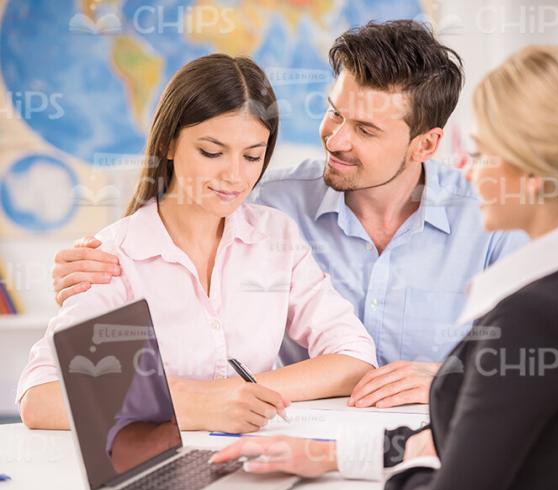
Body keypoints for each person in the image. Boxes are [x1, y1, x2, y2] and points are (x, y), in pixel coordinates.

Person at [208, 45, 558, 490]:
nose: (467, 170)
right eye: (336, 114)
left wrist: (412, 457)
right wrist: (332, 455)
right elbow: (490, 449)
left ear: (531, 177)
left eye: (483, 153)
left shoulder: (529, 316)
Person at [49, 20, 527, 409]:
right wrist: (88, 271)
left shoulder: (493, 219)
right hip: (293, 440)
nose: (336, 139)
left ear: (425, 145)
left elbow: (548, 357)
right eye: (335, 113)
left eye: (364, 128)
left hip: (440, 441)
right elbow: (175, 219)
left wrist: (453, 377)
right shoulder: (265, 203)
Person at [17, 54, 377, 433]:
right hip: (158, 470)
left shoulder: (275, 236)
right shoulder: (114, 255)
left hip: (255, 455)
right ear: (170, 144)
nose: (234, 175)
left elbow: (354, 356)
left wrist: (232, 393)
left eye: (252, 156)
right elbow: (40, 398)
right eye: (211, 152)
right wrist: (184, 406)